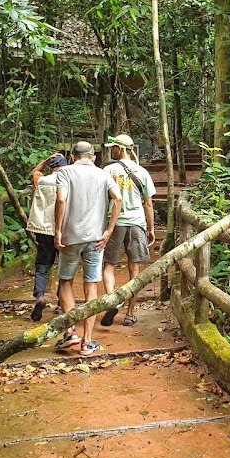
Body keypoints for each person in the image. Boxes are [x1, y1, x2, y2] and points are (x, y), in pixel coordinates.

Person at [53, 141, 122, 355]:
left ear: (73, 156)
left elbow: (61, 199)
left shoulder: (65, 172)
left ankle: (71, 331)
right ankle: (87, 341)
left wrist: (57, 230)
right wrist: (109, 230)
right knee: (91, 285)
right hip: (96, 239)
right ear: (92, 157)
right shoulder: (103, 174)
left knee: (65, 281)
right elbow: (118, 198)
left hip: (70, 238)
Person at [99, 134, 157, 327]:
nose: (111, 150)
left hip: (114, 223)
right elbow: (148, 203)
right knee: (135, 268)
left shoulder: (107, 170)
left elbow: (101, 199)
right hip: (137, 222)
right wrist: (151, 228)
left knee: (109, 265)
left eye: (113, 147)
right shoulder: (142, 172)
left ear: (120, 149)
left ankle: (111, 301)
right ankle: (131, 313)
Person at [25, 152, 68, 322]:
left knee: (43, 265)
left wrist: (46, 159)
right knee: (65, 267)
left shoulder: (41, 181)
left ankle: (40, 297)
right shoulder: (68, 182)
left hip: (43, 230)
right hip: (63, 230)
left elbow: (35, 171)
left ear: (51, 168)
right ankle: (61, 303)